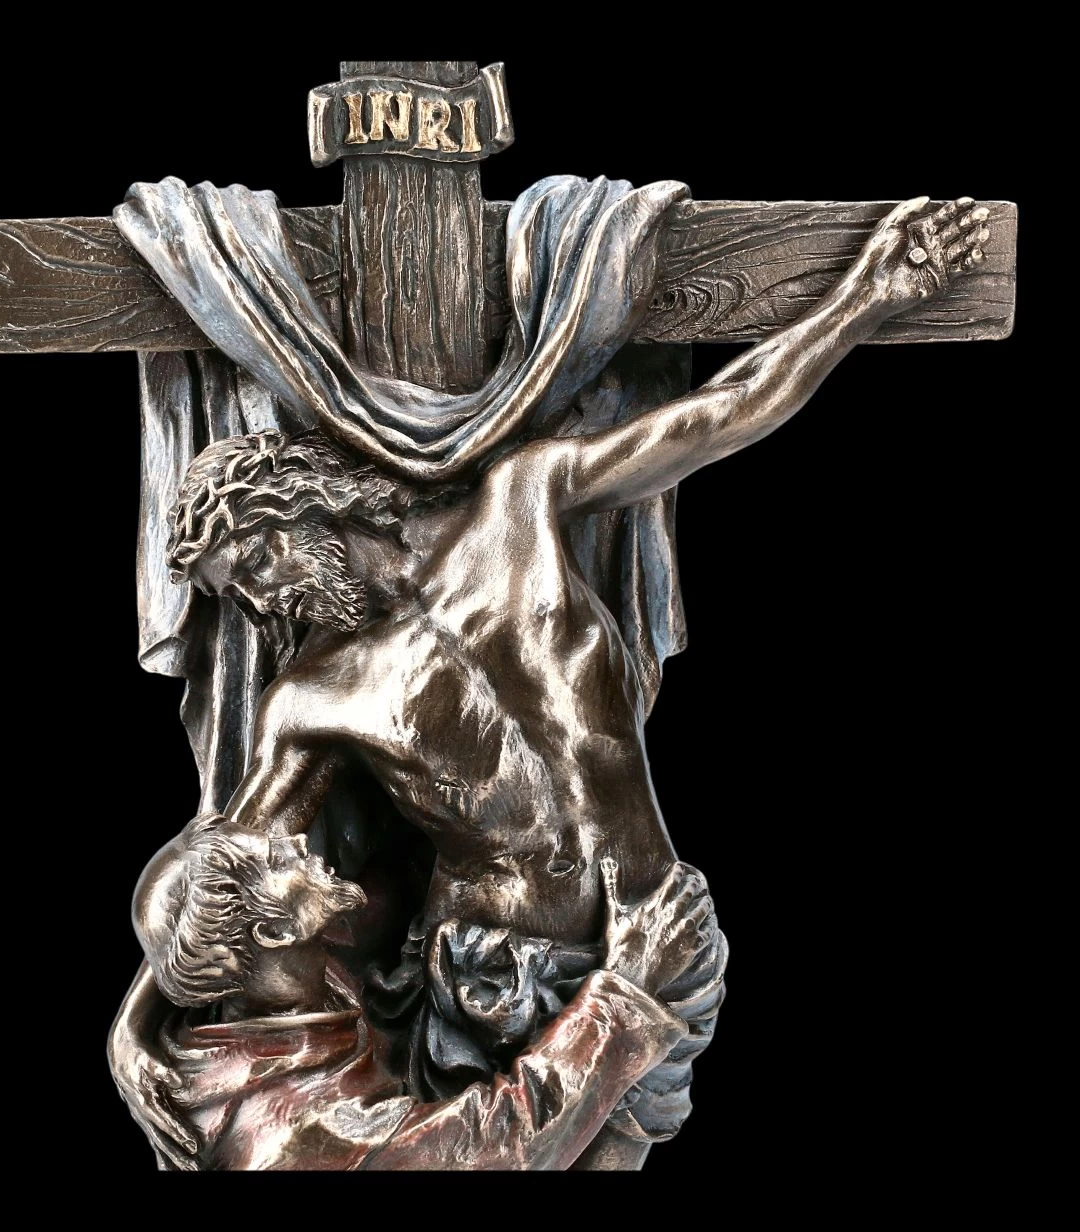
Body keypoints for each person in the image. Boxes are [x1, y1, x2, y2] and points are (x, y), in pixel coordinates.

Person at [112, 195, 990, 1167]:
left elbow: (719, 415)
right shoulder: (310, 698)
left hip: (646, 920)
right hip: (482, 971)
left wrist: (866, 296)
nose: (262, 602)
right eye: (241, 593)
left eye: (254, 565)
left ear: (295, 503)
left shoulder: (518, 506)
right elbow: (220, 868)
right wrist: (135, 1018)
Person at [111, 813, 716, 1170]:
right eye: (275, 857)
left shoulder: (269, 988)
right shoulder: (299, 1133)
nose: (295, 840)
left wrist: (127, 1028)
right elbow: (499, 1144)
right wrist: (625, 990)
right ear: (275, 931)